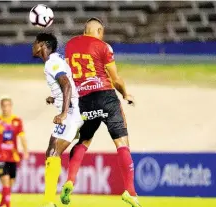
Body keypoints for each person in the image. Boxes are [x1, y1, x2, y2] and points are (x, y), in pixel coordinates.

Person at [60, 17, 141, 207]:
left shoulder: (70, 45)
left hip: (85, 100)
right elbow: (116, 79)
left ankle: (70, 180)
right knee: (122, 143)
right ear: (99, 31)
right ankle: (130, 191)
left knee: (84, 141)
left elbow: (67, 77)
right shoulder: (104, 46)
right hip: (106, 97)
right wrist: (126, 94)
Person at [32, 33, 83, 207]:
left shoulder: (52, 63)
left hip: (71, 112)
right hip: (71, 109)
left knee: (53, 152)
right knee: (51, 151)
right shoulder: (55, 61)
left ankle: (49, 201)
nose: (33, 46)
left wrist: (63, 113)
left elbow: (67, 84)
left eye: (35, 43)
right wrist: (55, 98)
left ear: (42, 45)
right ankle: (49, 200)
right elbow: (66, 86)